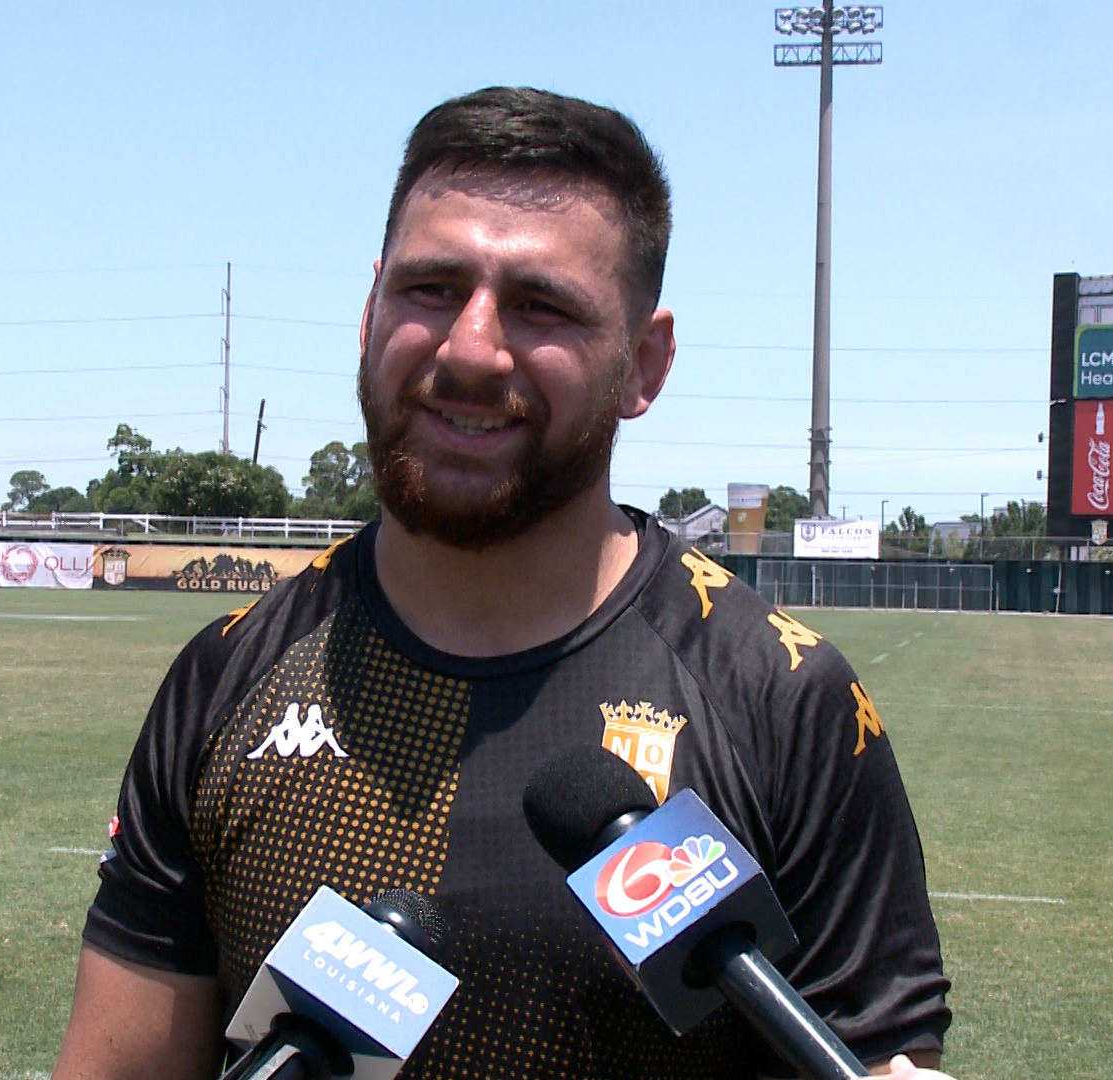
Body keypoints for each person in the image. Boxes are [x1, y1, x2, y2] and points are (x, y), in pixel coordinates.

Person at [53, 87, 952, 1080]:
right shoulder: (227, 677)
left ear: (644, 364)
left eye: (540, 306)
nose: (471, 349)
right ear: (368, 312)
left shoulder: (783, 700)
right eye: (431, 288)